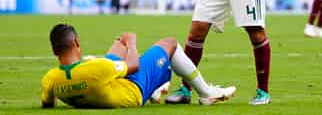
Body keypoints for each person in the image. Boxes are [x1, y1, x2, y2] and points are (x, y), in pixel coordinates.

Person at [41, 24, 235, 109]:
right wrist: (132, 43)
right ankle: (206, 93)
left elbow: (48, 104)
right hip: (133, 91)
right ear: (76, 42)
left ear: (53, 50)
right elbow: (133, 66)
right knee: (169, 44)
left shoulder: (50, 80)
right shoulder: (96, 68)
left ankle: (158, 86)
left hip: (106, 86)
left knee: (119, 44)